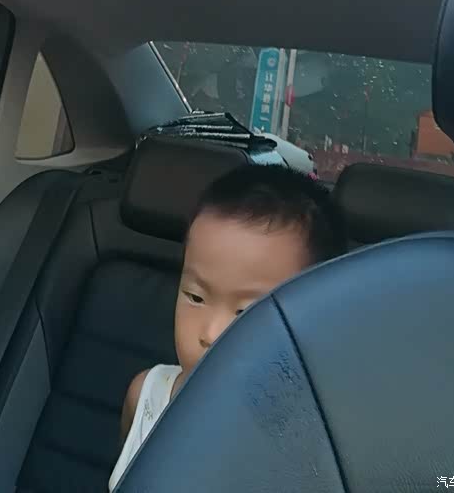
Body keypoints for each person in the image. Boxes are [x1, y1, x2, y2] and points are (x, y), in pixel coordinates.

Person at [108, 163, 347, 491]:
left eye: (247, 312)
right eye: (195, 297)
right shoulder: (147, 395)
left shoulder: (316, 448)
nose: (211, 333)